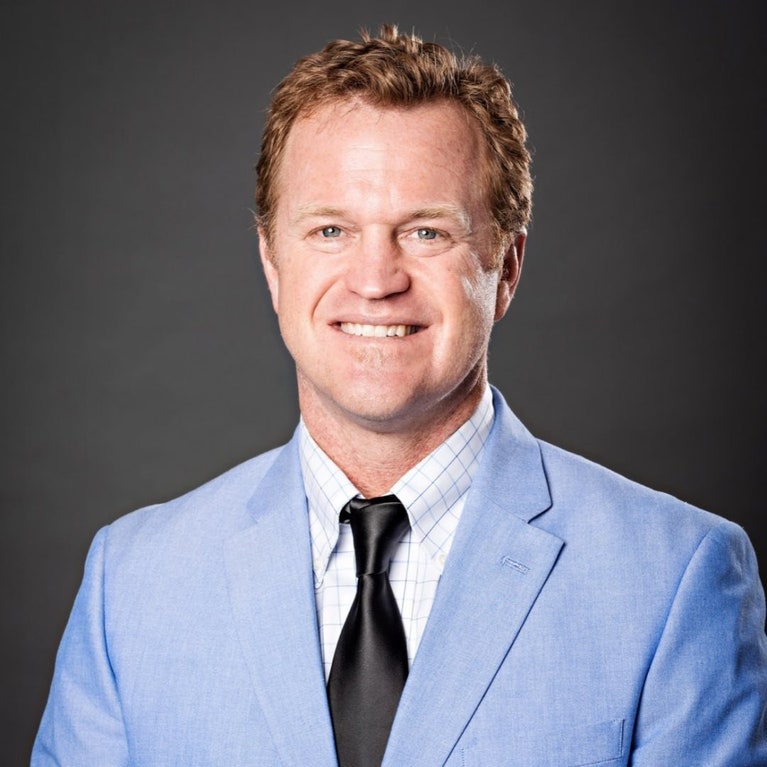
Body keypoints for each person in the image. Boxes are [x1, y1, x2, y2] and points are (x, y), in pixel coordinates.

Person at [32, 25, 766, 766]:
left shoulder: (675, 578)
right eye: (330, 230)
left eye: (425, 232)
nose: (376, 280)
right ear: (272, 264)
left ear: (506, 267)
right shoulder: (132, 583)